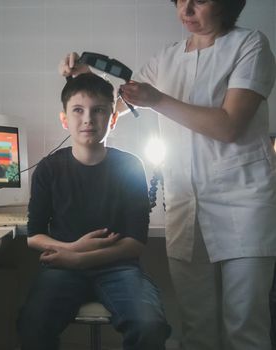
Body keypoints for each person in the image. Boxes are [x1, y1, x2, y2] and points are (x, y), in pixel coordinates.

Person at [60, 1, 276, 349]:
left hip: (243, 204)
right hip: (185, 205)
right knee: (196, 328)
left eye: (199, 1)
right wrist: (85, 77)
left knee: (245, 329)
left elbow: (230, 126)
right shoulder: (167, 59)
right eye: (180, 1)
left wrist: (157, 99)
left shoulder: (250, 45)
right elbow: (114, 106)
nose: (186, 10)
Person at [17, 73, 171, 350]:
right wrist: (72, 249)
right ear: (65, 119)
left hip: (119, 267)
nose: (88, 119)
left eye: (99, 110)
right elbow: (34, 235)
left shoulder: (130, 166)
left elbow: (135, 243)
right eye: (78, 110)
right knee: (32, 323)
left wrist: (79, 259)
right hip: (63, 266)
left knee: (149, 325)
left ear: (112, 119)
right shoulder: (49, 169)